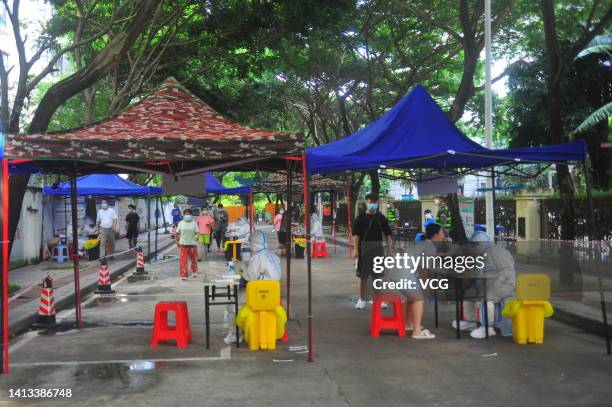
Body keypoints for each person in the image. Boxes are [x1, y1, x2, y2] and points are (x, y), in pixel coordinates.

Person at [453, 231, 516, 339]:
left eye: (476, 244)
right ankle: (470, 321)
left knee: (486, 298)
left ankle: (487, 327)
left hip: (505, 284)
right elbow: (479, 272)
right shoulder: (482, 253)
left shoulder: (497, 251)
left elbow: (507, 270)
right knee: (469, 294)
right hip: (489, 282)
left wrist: (495, 283)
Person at [224, 229, 282, 344]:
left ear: (254, 243)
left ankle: (235, 334)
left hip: (260, 293)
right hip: (273, 293)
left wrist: (241, 267)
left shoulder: (258, 257)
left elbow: (249, 277)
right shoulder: (271, 255)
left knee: (232, 306)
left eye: (251, 243)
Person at [402, 223, 444, 339]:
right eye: (442, 232)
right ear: (436, 235)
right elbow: (423, 267)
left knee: (410, 298)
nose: (443, 234)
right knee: (419, 298)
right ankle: (416, 331)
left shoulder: (423, 243)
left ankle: (408, 324)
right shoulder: (430, 246)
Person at [352, 193, 393, 309]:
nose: (373, 204)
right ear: (366, 202)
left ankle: (378, 299)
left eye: (375, 202)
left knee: (377, 276)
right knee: (363, 276)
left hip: (377, 250)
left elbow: (388, 234)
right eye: (370, 202)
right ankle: (362, 299)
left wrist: (389, 250)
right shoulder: (360, 218)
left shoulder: (381, 218)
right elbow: (355, 235)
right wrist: (355, 250)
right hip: (363, 250)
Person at [175, 209, 199, 281]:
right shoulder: (181, 223)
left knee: (193, 259)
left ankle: (194, 271)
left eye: (189, 214)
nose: (187, 215)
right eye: (186, 214)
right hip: (183, 244)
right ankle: (184, 274)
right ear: (183, 215)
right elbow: (177, 233)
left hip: (192, 244)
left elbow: (197, 232)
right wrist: (176, 241)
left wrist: (197, 237)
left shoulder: (194, 223)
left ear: (191, 215)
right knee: (183, 260)